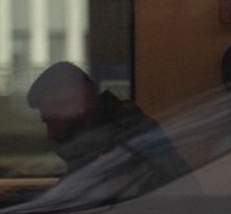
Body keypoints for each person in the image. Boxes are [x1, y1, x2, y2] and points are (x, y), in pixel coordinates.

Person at [26, 62, 189, 194]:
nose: (50, 135)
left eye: (53, 121)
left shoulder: (121, 148)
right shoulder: (110, 143)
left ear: (79, 106)